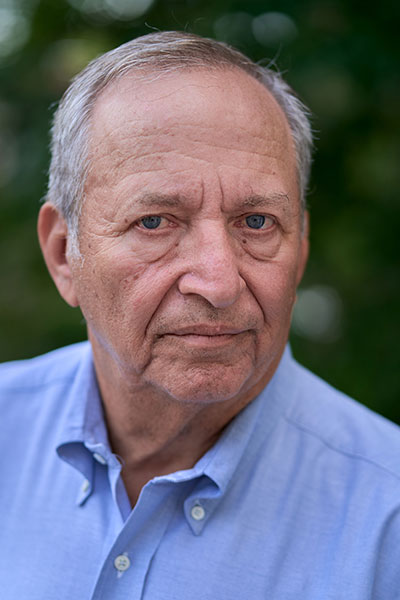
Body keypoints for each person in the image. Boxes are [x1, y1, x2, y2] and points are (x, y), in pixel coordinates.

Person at [0, 31, 399, 600]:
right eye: (155, 222)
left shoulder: (387, 521)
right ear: (65, 254)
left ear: (301, 248)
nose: (218, 283)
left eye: (257, 222)